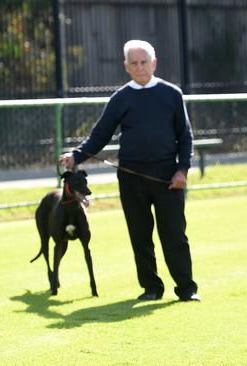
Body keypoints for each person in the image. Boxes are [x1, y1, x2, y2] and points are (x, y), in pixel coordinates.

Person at [60, 40, 200, 302]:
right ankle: (151, 288)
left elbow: (185, 136)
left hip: (169, 178)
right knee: (139, 235)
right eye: (134, 63)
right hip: (131, 178)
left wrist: (182, 171)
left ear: (154, 63)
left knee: (174, 234)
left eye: (144, 62)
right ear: (126, 66)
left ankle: (186, 289)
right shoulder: (120, 98)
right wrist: (76, 155)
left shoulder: (172, 94)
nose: (140, 67)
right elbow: (100, 135)